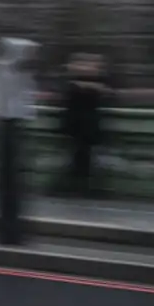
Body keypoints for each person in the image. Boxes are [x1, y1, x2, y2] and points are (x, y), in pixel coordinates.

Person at [52, 53, 109, 198]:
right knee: (80, 158)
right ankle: (78, 188)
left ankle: (73, 187)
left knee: (81, 158)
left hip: (83, 127)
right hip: (81, 127)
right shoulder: (76, 84)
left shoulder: (82, 84)